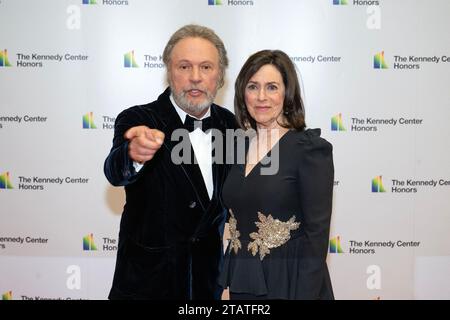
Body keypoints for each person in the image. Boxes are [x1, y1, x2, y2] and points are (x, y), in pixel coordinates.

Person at [104, 24, 237, 300]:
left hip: (207, 287)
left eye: (206, 67)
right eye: (184, 67)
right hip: (148, 287)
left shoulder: (230, 125)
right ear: (169, 71)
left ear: (220, 75)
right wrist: (133, 154)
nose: (196, 78)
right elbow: (115, 171)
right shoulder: (138, 119)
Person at [218, 50, 335, 299]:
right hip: (243, 282)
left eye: (272, 87)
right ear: (242, 93)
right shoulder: (236, 145)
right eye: (253, 87)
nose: (261, 97)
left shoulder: (310, 149)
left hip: (290, 283)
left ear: (287, 93)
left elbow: (316, 238)